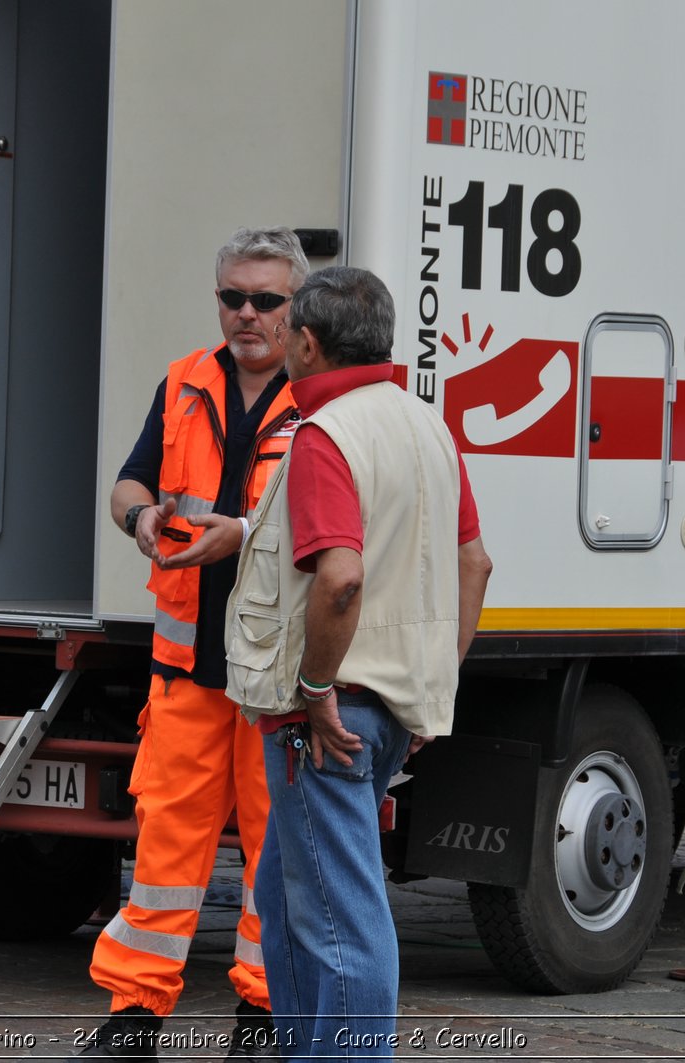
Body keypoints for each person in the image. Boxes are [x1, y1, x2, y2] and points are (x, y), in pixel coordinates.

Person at [225, 266, 493, 1061]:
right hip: (386, 706)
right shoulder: (429, 427)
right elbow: (474, 564)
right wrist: (429, 683)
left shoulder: (325, 434)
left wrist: (313, 693)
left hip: (329, 712)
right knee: (284, 893)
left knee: (339, 916)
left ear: (306, 343)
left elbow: (339, 576)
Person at [83, 227, 309, 1059]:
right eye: (232, 297)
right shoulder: (183, 382)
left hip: (275, 674)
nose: (246, 315)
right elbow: (128, 483)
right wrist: (140, 514)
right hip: (184, 671)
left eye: (265, 300)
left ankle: (261, 1019)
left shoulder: (320, 398)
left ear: (297, 309)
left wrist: (242, 535)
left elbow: (328, 526)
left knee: (272, 854)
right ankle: (133, 1018)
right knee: (164, 850)